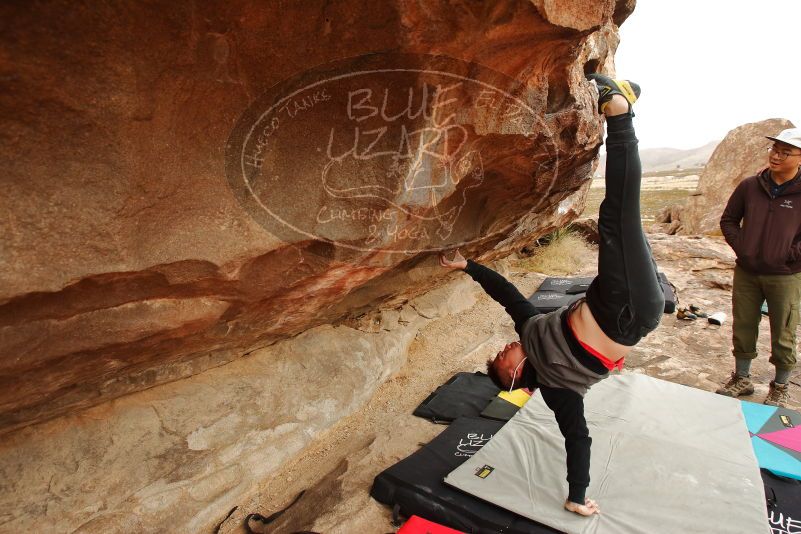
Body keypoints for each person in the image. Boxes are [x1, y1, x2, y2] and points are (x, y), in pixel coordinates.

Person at [439, 73, 664, 517]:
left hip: (610, 297)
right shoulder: (558, 388)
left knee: (621, 223)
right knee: (618, 216)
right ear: (514, 374)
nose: (502, 349)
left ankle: (625, 106)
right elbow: (577, 438)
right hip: (627, 311)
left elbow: (506, 293)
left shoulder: (530, 331)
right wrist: (577, 496)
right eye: (500, 359)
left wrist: (467, 266)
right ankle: (621, 115)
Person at [716, 128, 801, 407]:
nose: (775, 156)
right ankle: (742, 379)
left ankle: (780, 386)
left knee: (784, 330)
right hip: (747, 272)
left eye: (785, 152)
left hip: (786, 275)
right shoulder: (750, 186)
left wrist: (789, 255)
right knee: (743, 325)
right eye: (774, 149)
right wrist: (744, 248)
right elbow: (728, 220)